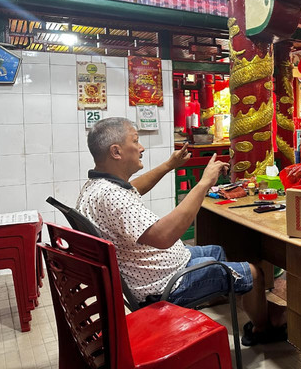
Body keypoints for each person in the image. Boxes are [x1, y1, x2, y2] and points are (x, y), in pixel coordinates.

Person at [76, 117, 286, 346]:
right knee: (255, 274)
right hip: (163, 286)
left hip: (156, 271)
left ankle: (237, 298)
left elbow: (134, 189)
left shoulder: (97, 188)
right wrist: (204, 182)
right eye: (135, 141)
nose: (141, 147)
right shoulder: (112, 196)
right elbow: (165, 235)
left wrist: (169, 165)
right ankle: (261, 329)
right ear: (116, 151)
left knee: (218, 251)